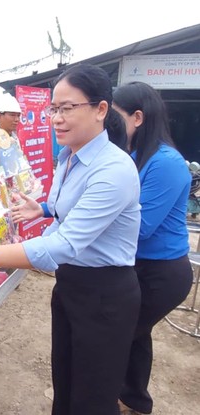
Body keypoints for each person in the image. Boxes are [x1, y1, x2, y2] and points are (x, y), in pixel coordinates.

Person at [0, 63, 142, 415]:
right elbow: (64, 213)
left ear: (101, 109)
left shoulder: (114, 170)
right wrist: (41, 209)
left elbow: (65, 245)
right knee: (66, 383)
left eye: (68, 108)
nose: (57, 118)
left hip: (105, 294)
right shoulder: (69, 156)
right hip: (72, 284)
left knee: (93, 397)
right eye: (53, 109)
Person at [112, 81, 193, 415]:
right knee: (135, 334)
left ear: (138, 118)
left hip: (162, 273)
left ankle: (112, 400)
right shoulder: (134, 156)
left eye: (113, 117)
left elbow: (140, 228)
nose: (108, 126)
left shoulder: (166, 163)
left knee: (120, 334)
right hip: (139, 266)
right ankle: (134, 401)